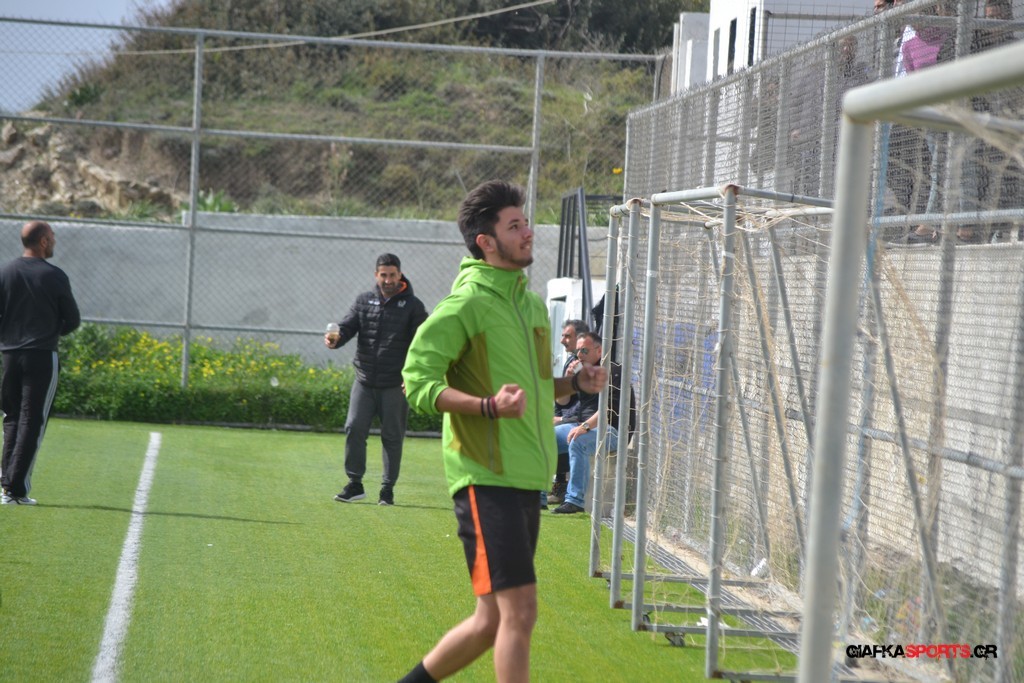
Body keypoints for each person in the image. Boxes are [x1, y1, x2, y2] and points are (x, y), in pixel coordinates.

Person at [399, 180, 607, 683]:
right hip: (484, 476)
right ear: (486, 242)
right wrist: (487, 407)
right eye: (514, 226)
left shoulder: (531, 307)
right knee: (521, 611)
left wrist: (576, 382)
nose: (528, 232)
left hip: (526, 477)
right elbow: (416, 383)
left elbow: (539, 389)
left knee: (490, 621)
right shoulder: (464, 305)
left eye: (525, 222)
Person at [325, 253, 427, 506]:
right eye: (384, 275)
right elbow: (347, 327)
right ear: (376, 275)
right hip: (364, 379)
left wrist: (414, 376)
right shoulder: (364, 300)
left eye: (392, 275)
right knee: (353, 428)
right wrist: (336, 339)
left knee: (392, 436)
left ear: (400, 275)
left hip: (395, 383)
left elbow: (423, 344)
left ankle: (387, 490)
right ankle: (355, 484)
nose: (388, 280)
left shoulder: (414, 306)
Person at [1, 221, 80, 506]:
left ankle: (6, 485)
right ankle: (16, 490)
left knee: (12, 417)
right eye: (52, 236)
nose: (54, 241)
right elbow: (72, 319)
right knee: (32, 419)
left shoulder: (6, 272)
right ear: (43, 241)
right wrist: (49, 332)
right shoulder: (54, 276)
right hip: (42, 355)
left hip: (9, 355)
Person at [551, 331, 635, 515]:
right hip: (585, 425)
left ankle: (574, 500)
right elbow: (563, 403)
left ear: (599, 351)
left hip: (613, 430)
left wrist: (585, 426)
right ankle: (537, 495)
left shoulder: (613, 371)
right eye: (577, 351)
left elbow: (607, 410)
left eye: (584, 351)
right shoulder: (583, 372)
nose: (579, 355)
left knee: (578, 441)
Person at [549, 318, 588, 504]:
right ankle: (556, 485)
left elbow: (589, 406)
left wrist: (562, 419)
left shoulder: (592, 366)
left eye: (567, 336)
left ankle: (562, 490)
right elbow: (562, 402)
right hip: (570, 417)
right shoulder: (572, 362)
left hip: (583, 422)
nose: (562, 340)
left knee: (547, 435)